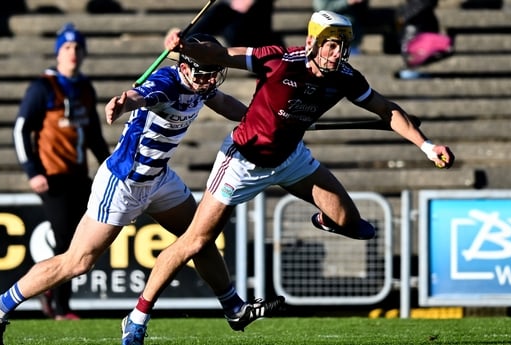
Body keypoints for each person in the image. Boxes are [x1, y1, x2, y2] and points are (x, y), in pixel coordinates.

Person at [123, 8, 455, 341]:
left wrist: (427, 146)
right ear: (312, 41)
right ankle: (138, 318)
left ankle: (323, 220)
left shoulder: (346, 77)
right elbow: (224, 55)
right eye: (330, 45)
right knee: (196, 241)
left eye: (342, 46)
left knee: (353, 225)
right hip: (243, 161)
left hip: (291, 159)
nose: (336, 53)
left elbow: (387, 110)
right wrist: (187, 47)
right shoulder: (279, 60)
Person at [0, 33, 284, 345]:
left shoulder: (202, 86)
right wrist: (125, 102)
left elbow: (225, 103)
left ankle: (233, 308)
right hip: (124, 182)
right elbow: (143, 95)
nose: (210, 81)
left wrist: (265, 120)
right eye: (204, 74)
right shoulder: (167, 81)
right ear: (185, 68)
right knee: (78, 262)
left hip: (160, 180)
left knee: (199, 238)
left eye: (213, 74)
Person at [12, 22, 111, 321]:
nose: (73, 53)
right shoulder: (43, 87)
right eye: (67, 47)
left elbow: (93, 134)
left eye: (78, 47)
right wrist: (32, 171)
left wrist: (108, 166)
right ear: (58, 53)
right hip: (52, 177)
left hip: (79, 176)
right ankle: (58, 306)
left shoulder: (84, 88)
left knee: (80, 243)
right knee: (66, 240)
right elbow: (20, 130)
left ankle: (51, 295)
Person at [186, 0, 284, 47]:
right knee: (215, 15)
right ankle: (187, 42)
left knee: (233, 34)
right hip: (229, 6)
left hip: (256, 8)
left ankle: (273, 48)